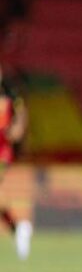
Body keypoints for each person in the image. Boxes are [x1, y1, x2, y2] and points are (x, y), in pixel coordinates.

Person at [0, 65, 31, 260]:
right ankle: (17, 228)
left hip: (1, 151)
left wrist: (17, 128)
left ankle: (18, 228)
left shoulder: (9, 94)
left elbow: (21, 114)